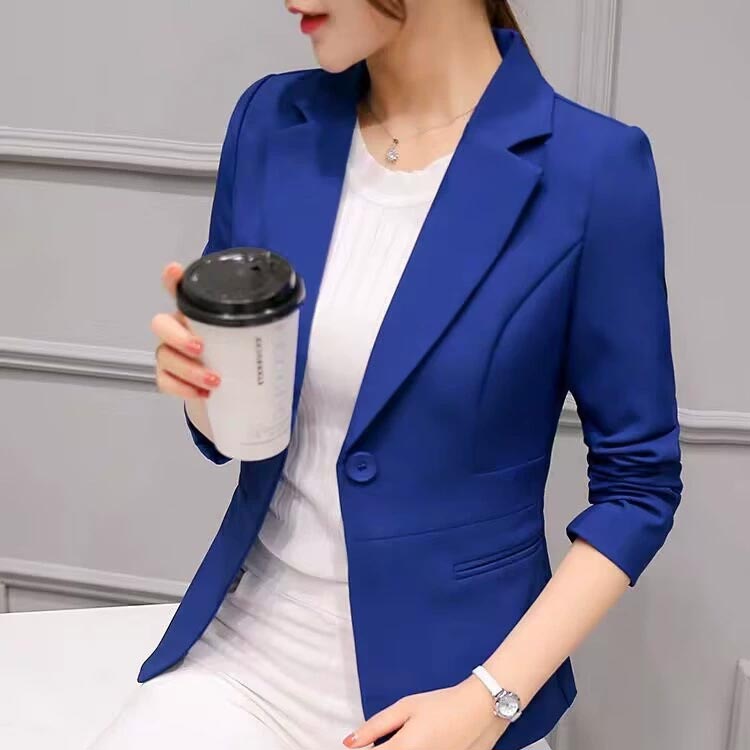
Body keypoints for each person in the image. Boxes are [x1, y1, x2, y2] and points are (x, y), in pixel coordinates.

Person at [88, 1, 684, 749]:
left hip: (451, 694)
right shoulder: (272, 121)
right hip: (245, 666)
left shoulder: (594, 171)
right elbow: (240, 432)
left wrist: (487, 700)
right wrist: (205, 390)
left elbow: (638, 487)